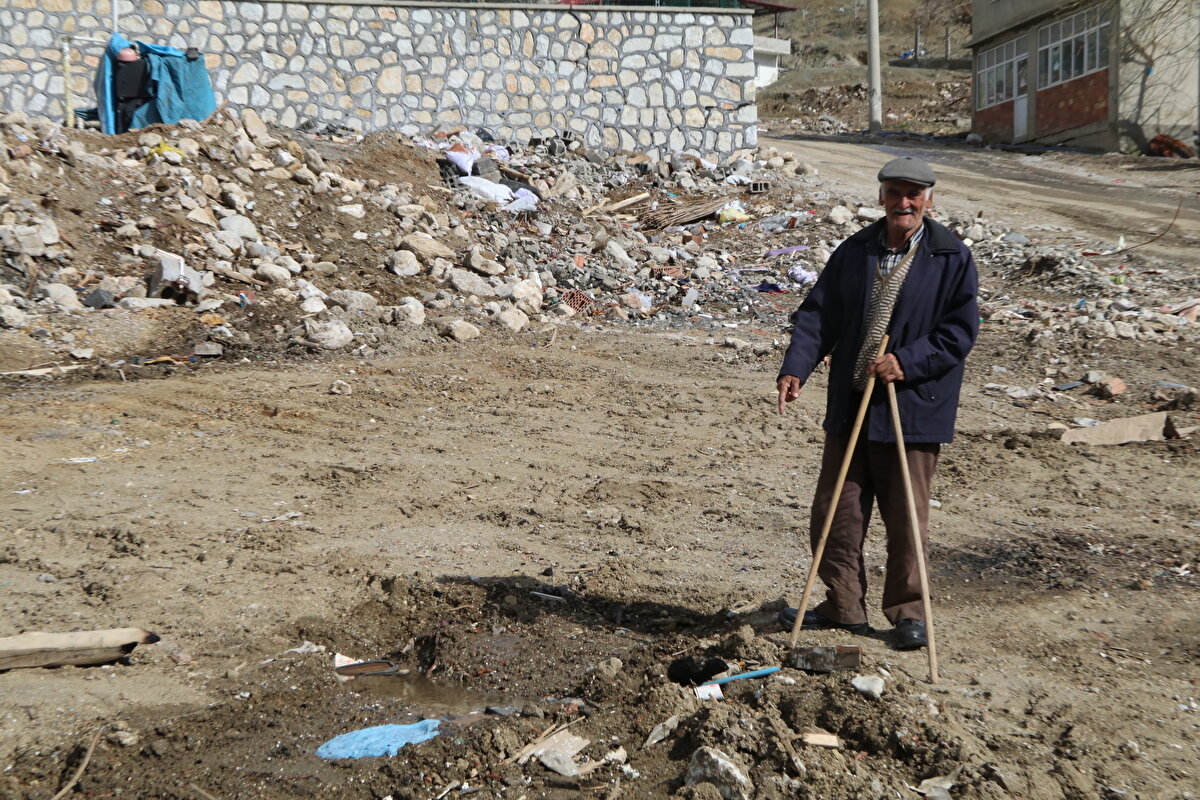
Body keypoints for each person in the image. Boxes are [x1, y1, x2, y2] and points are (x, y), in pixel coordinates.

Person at [775, 155, 978, 650]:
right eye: (894, 193)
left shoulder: (951, 257)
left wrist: (906, 361)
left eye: (913, 194)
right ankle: (843, 605)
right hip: (852, 403)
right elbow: (819, 314)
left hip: (911, 405)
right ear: (881, 196)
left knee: (907, 515)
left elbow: (959, 332)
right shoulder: (856, 251)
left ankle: (909, 614)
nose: (903, 202)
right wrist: (795, 367)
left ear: (929, 199)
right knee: (835, 511)